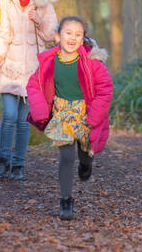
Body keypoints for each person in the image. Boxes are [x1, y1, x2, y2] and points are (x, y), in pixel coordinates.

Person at [26, 16, 113, 220]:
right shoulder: (49, 62)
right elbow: (34, 85)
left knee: (84, 152)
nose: (72, 38)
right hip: (62, 113)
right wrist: (40, 112)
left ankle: (86, 163)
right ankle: (66, 200)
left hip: (85, 114)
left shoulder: (92, 64)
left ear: (83, 40)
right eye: (68, 33)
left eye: (78, 34)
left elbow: (105, 90)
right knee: (66, 156)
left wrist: (92, 118)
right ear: (58, 36)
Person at [0, 0, 58, 180]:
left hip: (33, 69)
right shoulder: (4, 0)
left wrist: (38, 20)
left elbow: (50, 36)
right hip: (10, 66)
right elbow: (2, 32)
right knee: (9, 115)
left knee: (24, 119)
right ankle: (3, 160)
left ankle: (19, 164)